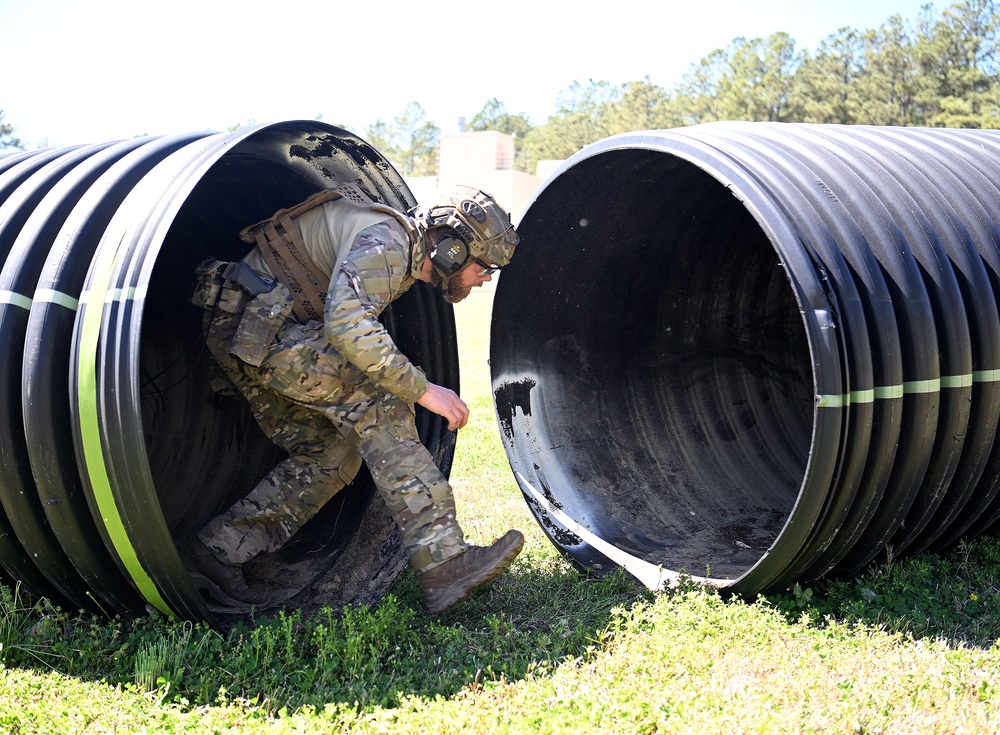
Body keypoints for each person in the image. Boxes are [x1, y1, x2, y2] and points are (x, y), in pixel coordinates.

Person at [185, 183, 523, 613]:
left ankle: (214, 553)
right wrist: (423, 390)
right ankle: (444, 561)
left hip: (249, 334)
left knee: (330, 454)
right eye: (484, 265)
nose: (485, 277)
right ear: (452, 251)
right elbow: (346, 326)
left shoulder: (400, 250)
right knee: (381, 405)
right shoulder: (389, 241)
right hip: (261, 332)